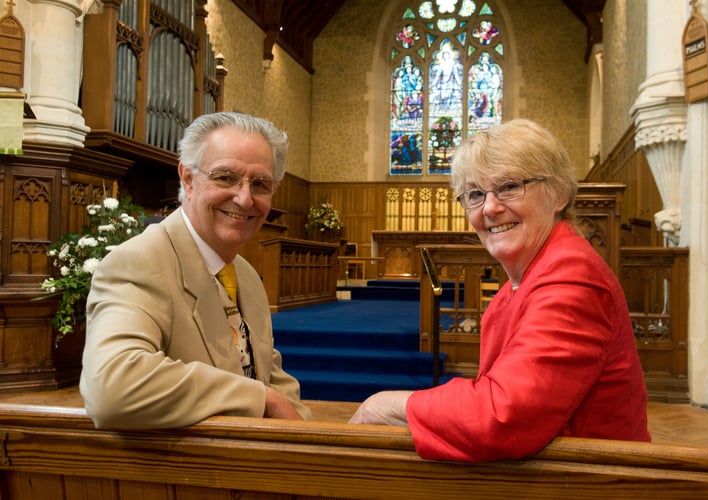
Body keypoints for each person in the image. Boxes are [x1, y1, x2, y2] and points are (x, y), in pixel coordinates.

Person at [348, 119, 651, 461]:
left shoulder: (572, 273)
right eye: (475, 194)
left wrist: (386, 404)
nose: (490, 208)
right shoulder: (527, 277)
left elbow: (502, 415)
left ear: (559, 194)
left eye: (509, 186)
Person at [80, 112, 312, 429]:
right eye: (225, 177)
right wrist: (261, 399)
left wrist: (305, 436)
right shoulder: (139, 262)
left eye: (260, 184)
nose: (245, 199)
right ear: (188, 179)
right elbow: (111, 386)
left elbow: (267, 370)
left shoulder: (244, 275)